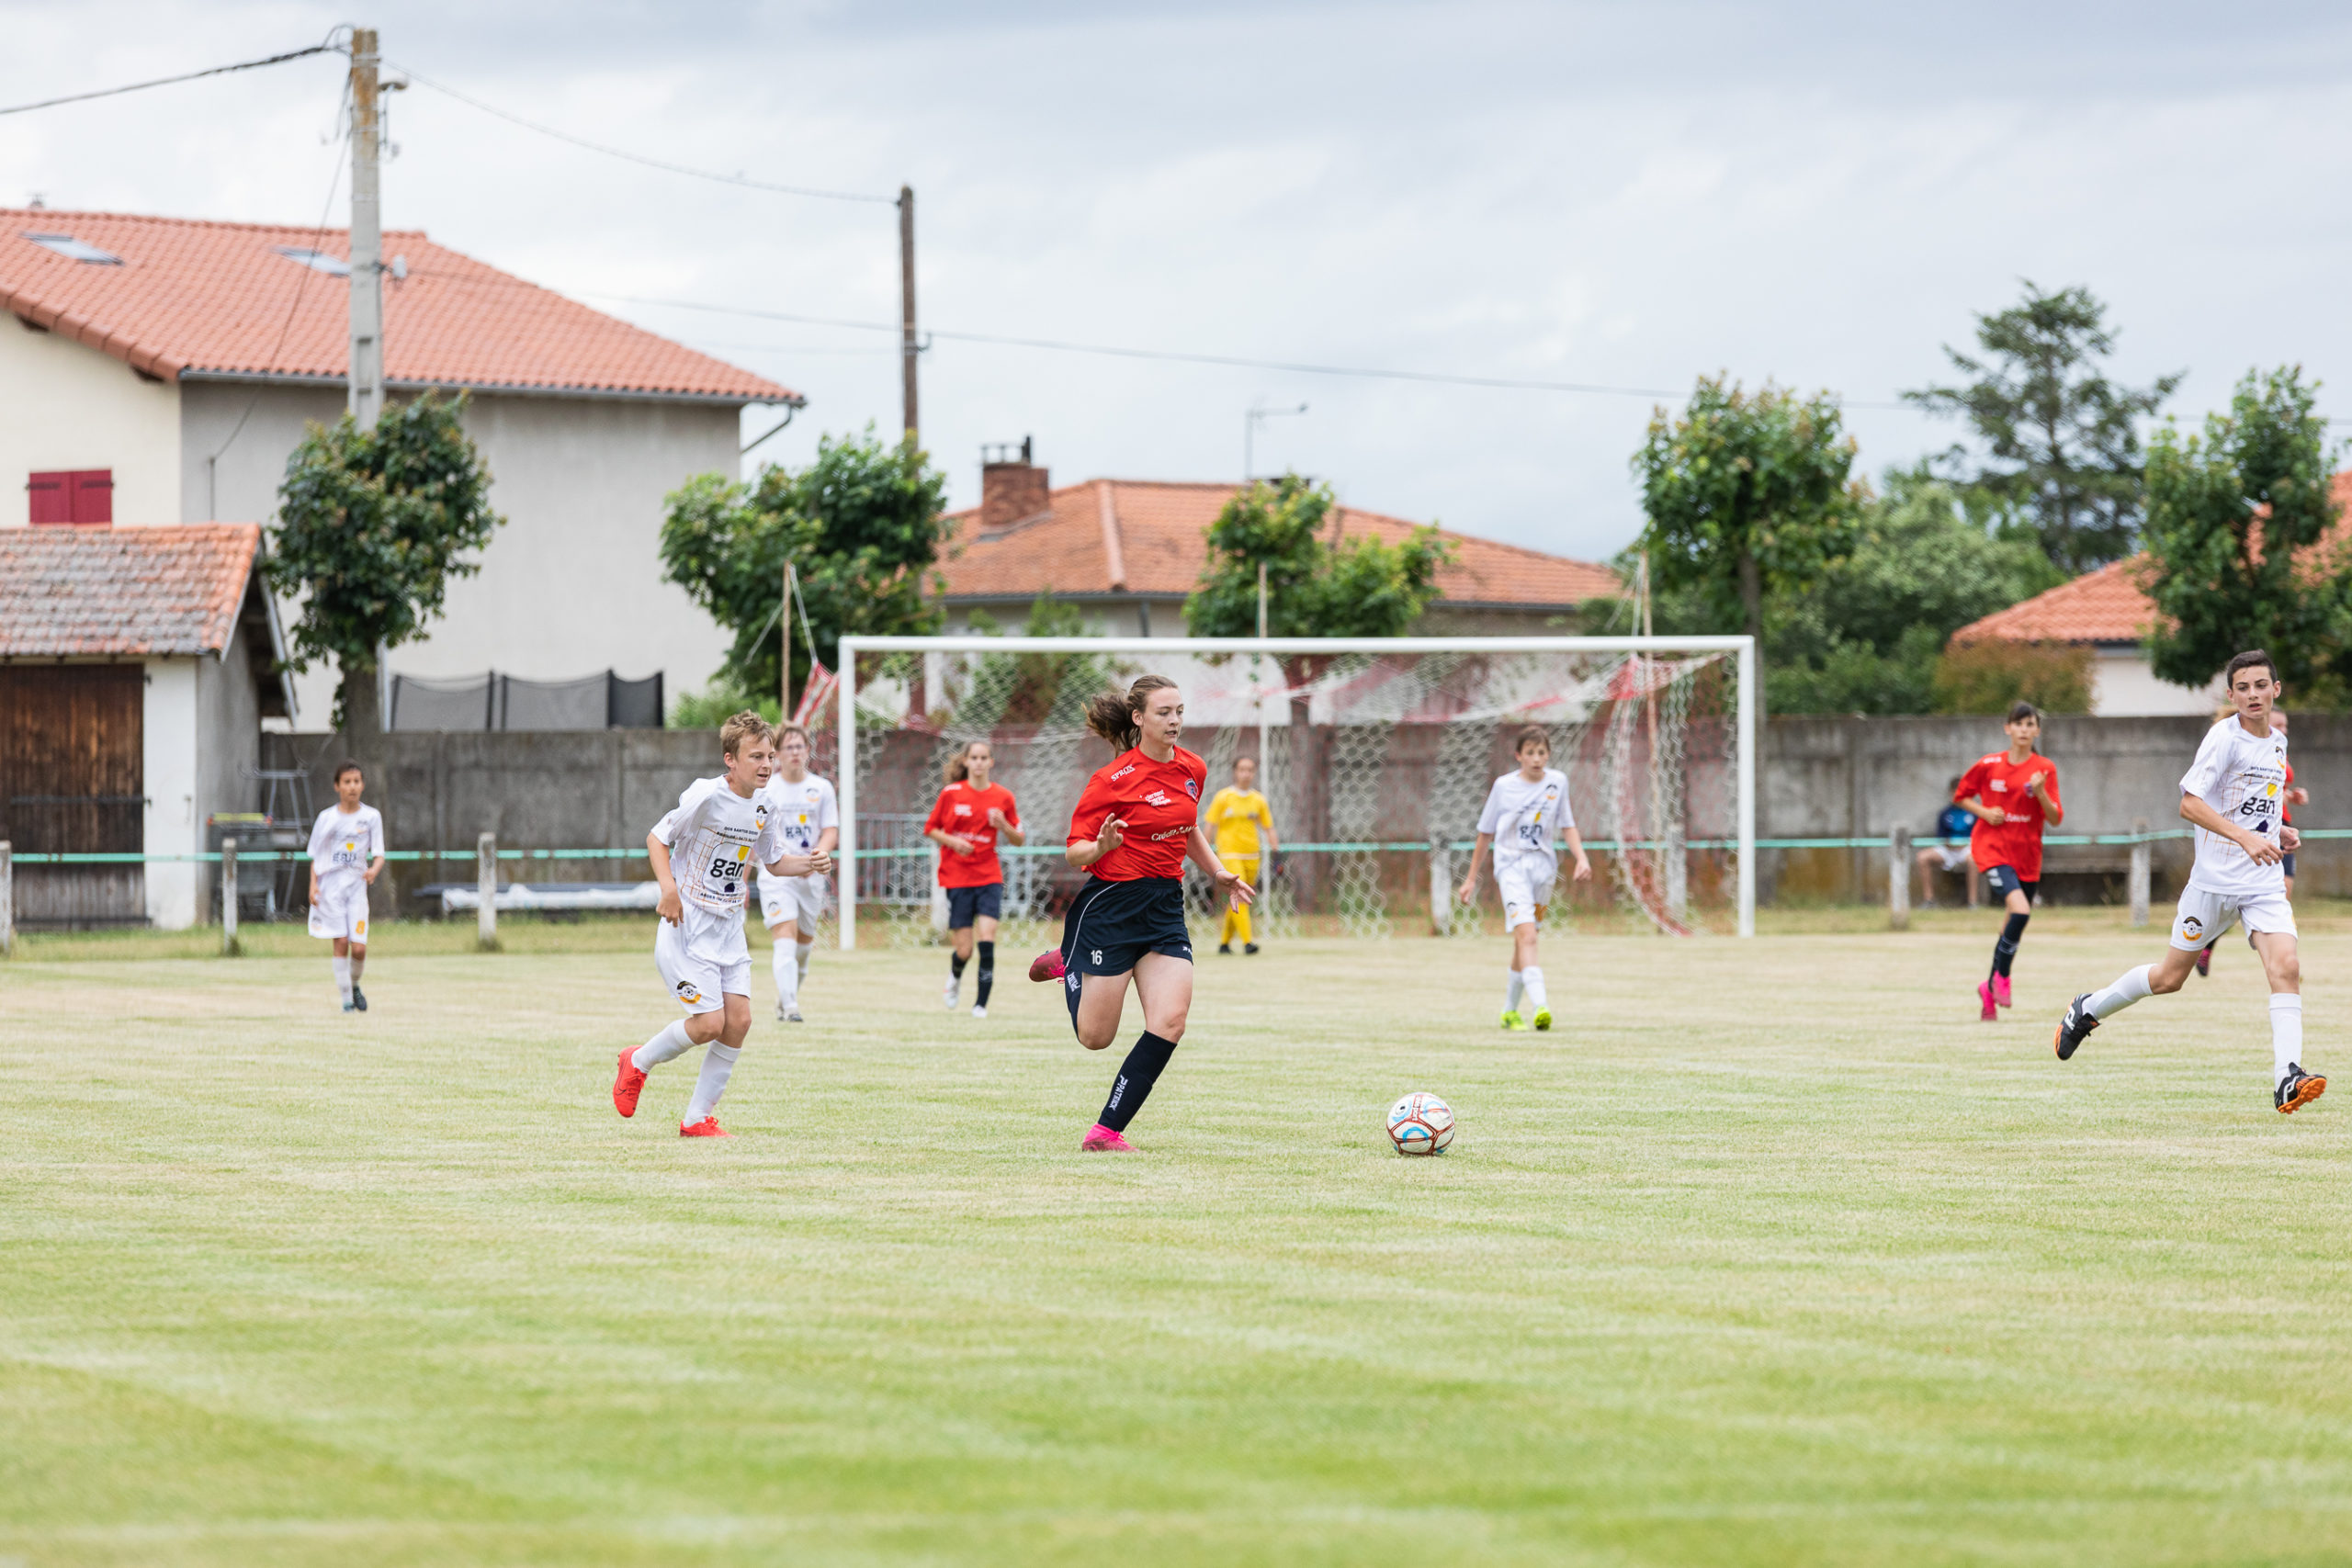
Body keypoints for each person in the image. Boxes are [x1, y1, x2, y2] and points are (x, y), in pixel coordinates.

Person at [2054, 650, 2325, 1115]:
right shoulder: (2223, 739)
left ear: (2276, 690)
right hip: (2214, 882)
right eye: (2243, 688)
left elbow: (2255, 804)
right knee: (2168, 978)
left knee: (2287, 967)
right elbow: (2190, 805)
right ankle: (2088, 1008)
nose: (2253, 695)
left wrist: (2277, 831)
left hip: (2261, 881)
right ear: (2232, 695)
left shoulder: (2277, 744)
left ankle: (2287, 1077)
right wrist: (2244, 838)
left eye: (2261, 685)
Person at [1025, 676, 1252, 1152]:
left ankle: (1106, 1131)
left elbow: (1188, 827)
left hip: (1165, 907)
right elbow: (1073, 853)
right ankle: (1072, 960)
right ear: (1139, 718)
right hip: (1111, 906)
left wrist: (1217, 872)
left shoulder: (1193, 767)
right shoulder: (1111, 780)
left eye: (1179, 712)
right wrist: (1101, 845)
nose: (1175, 721)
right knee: (1095, 1038)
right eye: (1164, 712)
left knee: (1170, 1020)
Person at [611, 715, 833, 1138]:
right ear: (730, 760)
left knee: (740, 1021)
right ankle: (637, 1061)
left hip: (729, 926)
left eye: (770, 756)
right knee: (710, 1023)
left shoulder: (768, 805)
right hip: (687, 926)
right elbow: (657, 838)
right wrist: (669, 889)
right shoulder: (706, 795)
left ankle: (696, 1119)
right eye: (757, 757)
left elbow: (773, 861)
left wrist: (810, 862)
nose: (767, 764)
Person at [1457, 726, 1593, 1032]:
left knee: (1526, 939)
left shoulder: (1557, 783)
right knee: (1528, 935)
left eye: (1541, 752)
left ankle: (1508, 1011)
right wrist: (1470, 879)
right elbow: (1485, 833)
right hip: (1511, 869)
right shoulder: (1503, 787)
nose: (1536, 758)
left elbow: (1567, 824)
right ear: (1518, 755)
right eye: (1530, 752)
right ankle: (1541, 1006)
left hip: (1543, 871)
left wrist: (1581, 858)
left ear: (1548, 755)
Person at [1955, 702, 2064, 1021]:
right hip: (1993, 849)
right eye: (2018, 724)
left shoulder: (2045, 769)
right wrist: (1985, 812)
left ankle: (1988, 989)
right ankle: (2002, 979)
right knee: (2020, 910)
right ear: (2008, 728)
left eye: (2030, 724)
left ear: (2037, 731)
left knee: (2011, 925)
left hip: (2027, 855)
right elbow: (1961, 796)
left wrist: (2041, 792)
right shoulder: (1989, 764)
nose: (2024, 730)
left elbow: (2055, 818)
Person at [2197, 705, 2308, 976]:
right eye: (2277, 724)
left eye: (2285, 727)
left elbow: (2274, 789)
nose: (2282, 730)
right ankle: (2207, 943)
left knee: (2283, 891)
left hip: (2280, 826)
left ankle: (2284, 960)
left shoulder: (2278, 748)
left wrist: (2291, 797)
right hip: (2252, 830)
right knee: (2242, 899)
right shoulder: (2237, 745)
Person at [923, 739, 1023, 1019]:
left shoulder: (1003, 797)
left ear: (991, 762)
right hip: (957, 877)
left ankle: (981, 1004)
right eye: (974, 758)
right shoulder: (951, 794)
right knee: (965, 950)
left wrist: (1002, 824)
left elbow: (1019, 838)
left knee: (988, 936)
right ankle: (954, 978)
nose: (979, 763)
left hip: (988, 875)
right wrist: (954, 842)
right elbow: (930, 828)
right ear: (966, 761)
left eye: (984, 758)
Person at [754, 723, 839, 1022]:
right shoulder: (767, 789)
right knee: (784, 936)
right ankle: (791, 1007)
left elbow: (830, 829)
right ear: (777, 754)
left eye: (799, 746)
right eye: (788, 747)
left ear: (808, 750)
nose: (794, 752)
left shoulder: (821, 788)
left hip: (810, 878)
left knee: (803, 950)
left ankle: (787, 994)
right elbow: (754, 835)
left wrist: (818, 856)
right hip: (777, 876)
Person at [307, 760, 386, 1012]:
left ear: (362, 785)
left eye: (356, 782)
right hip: (331, 888)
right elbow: (316, 856)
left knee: (359, 947)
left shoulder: (371, 817)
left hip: (356, 889)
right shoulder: (327, 818)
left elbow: (379, 854)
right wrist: (313, 885)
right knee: (340, 941)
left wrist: (373, 869)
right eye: (347, 782)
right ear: (337, 786)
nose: (352, 787)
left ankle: (354, 984)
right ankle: (347, 1002)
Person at [1204, 755, 1277, 954]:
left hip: (1252, 855)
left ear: (1254, 772)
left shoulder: (1258, 799)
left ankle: (1225, 943)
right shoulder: (1223, 797)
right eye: (1242, 769)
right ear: (1235, 772)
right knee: (1241, 895)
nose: (1246, 773)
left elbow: (1268, 827)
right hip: (1228, 854)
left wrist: (1276, 852)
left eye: (1250, 769)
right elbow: (1210, 825)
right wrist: (1205, 853)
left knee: (1237, 898)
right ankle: (1248, 942)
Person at [1914, 783, 1981, 909]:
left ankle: (1973, 902)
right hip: (1947, 849)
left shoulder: (1974, 813)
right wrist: (1949, 845)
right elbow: (1940, 837)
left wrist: (1964, 844)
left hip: (1967, 849)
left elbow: (1979, 836)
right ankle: (1929, 900)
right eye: (1954, 793)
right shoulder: (1945, 813)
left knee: (1973, 860)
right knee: (1922, 857)